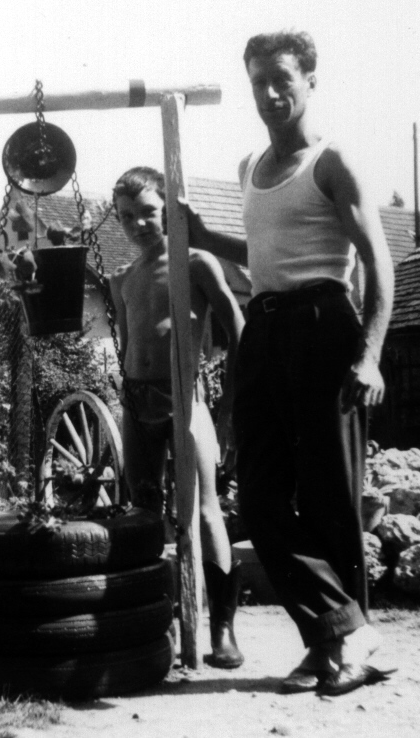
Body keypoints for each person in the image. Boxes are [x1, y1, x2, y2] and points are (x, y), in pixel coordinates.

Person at [187, 31, 395, 695]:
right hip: (265, 330)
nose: (271, 93)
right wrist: (203, 237)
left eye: (283, 78)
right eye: (259, 81)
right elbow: (263, 253)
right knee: (259, 498)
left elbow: (379, 262)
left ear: (309, 80)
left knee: (331, 495)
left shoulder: (331, 163)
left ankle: (340, 643)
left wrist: (370, 356)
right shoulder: (250, 166)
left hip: (323, 327)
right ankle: (342, 634)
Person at [110, 167, 246, 668]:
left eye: (148, 212)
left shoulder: (196, 263)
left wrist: (229, 408)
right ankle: (157, 619)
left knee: (205, 510)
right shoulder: (125, 278)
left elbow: (239, 331)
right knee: (143, 507)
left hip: (185, 399)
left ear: (167, 210)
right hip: (137, 402)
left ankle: (222, 629)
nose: (138, 225)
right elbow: (130, 344)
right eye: (127, 217)